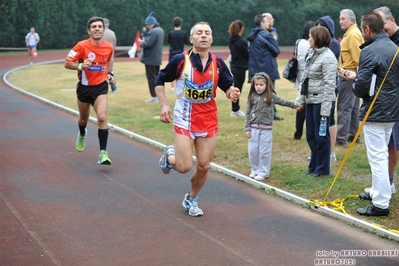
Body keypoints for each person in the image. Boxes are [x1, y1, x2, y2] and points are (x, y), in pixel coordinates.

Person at [154, 22, 240, 217]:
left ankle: (191, 198)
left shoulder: (218, 63)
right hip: (184, 118)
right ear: (191, 39)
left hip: (208, 119)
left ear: (211, 39)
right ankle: (169, 156)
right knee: (184, 167)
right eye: (199, 33)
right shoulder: (180, 60)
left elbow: (227, 85)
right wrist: (164, 105)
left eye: (207, 33)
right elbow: (159, 80)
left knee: (204, 166)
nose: (203, 36)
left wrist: (231, 92)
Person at [339, 11, 399, 216]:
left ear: (366, 29)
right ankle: (376, 192)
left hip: (375, 111)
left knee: (377, 157)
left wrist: (354, 83)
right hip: (392, 110)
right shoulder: (395, 47)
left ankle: (381, 204)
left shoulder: (369, 50)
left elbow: (361, 86)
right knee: (380, 153)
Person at [64, 17, 115, 165]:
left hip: (100, 87)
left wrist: (110, 75)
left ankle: (103, 154)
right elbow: (67, 63)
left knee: (102, 117)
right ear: (89, 30)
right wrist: (80, 66)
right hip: (84, 88)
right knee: (83, 119)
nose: (97, 28)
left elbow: (108, 62)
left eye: (100, 26)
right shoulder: (81, 46)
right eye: (94, 27)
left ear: (103, 30)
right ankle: (81, 133)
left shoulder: (108, 47)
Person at [295, 26, 338, 177]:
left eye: (310, 37)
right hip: (311, 100)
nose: (308, 39)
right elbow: (305, 79)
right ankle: (313, 166)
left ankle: (322, 169)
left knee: (321, 137)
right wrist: (300, 99)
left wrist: (325, 111)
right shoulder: (311, 53)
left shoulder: (328, 57)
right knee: (311, 136)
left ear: (318, 38)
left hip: (322, 102)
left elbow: (329, 85)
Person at [245, 72, 299, 181]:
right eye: (256, 85)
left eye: (261, 85)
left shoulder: (271, 96)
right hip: (254, 129)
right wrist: (247, 128)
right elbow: (247, 113)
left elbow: (282, 101)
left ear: (267, 85)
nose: (258, 87)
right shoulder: (252, 97)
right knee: (253, 151)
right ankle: (254, 170)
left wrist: (294, 105)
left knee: (264, 151)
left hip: (266, 129)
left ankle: (263, 172)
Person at [369, 5, 399, 195]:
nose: (380, 29)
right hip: (389, 102)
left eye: (383, 24)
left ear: (392, 20)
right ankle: (388, 182)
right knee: (390, 143)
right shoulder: (383, 42)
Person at [336, 9, 364, 146]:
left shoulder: (352, 35)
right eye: (340, 18)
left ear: (352, 20)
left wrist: (356, 75)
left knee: (344, 107)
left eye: (343, 19)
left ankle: (341, 138)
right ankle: (353, 135)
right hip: (352, 75)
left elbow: (358, 58)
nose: (340, 21)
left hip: (348, 76)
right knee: (353, 108)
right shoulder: (352, 33)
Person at [316, 15, 341, 164]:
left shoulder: (334, 45)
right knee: (317, 120)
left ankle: (331, 152)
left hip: (329, 87)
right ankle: (319, 152)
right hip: (316, 88)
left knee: (329, 118)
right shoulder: (317, 45)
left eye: (322, 27)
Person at [247, 14, 281, 121]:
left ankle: (256, 114)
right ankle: (270, 115)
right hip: (267, 69)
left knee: (257, 93)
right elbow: (276, 51)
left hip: (255, 69)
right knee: (270, 93)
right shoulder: (265, 35)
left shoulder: (252, 35)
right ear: (261, 23)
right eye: (266, 21)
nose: (269, 23)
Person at [293, 21, 316, 140]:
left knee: (300, 104)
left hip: (300, 74)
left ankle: (298, 132)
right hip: (310, 75)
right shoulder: (313, 43)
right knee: (310, 105)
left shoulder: (298, 42)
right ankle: (310, 131)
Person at [140, 12, 164, 103]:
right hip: (156, 58)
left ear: (150, 24)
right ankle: (158, 95)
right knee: (157, 77)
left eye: (147, 25)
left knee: (151, 78)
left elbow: (147, 44)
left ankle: (154, 96)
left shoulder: (153, 31)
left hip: (150, 58)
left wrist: (141, 42)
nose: (147, 26)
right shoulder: (160, 30)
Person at [228, 19, 249, 117]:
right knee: (237, 88)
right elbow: (246, 54)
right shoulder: (241, 42)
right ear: (241, 28)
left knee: (236, 86)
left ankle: (235, 108)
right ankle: (235, 109)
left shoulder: (231, 40)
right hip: (240, 67)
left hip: (234, 66)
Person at [167, 16, 187, 93]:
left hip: (172, 54)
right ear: (181, 24)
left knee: (172, 70)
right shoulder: (183, 33)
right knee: (181, 70)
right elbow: (185, 43)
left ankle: (172, 88)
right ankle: (181, 86)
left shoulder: (171, 33)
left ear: (173, 24)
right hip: (181, 54)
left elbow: (169, 42)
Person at [102, 18, 117, 93]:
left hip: (101, 56)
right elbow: (114, 45)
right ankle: (114, 87)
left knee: (100, 72)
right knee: (110, 72)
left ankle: (102, 88)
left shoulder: (100, 33)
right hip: (110, 56)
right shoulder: (112, 33)